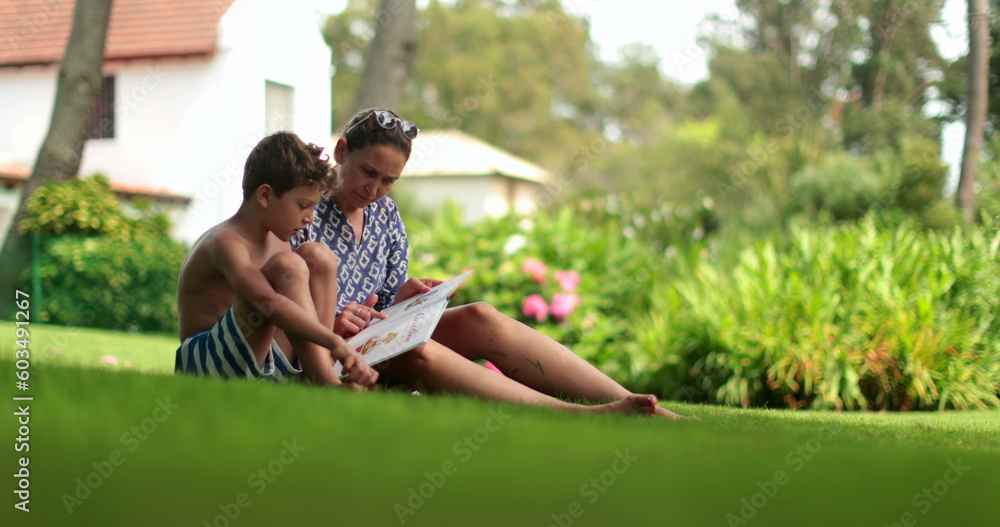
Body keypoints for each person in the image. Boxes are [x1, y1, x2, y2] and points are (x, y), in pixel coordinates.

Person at [291, 108, 688, 418]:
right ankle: (581, 415)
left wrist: (408, 297)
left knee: (481, 315)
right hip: (325, 352)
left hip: (375, 340)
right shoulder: (302, 207)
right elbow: (279, 295)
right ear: (342, 152)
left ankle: (638, 404)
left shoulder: (386, 216)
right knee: (419, 351)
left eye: (388, 180)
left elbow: (384, 303)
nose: (374, 189)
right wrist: (331, 324)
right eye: (368, 172)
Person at [175, 131, 377, 388]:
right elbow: (268, 302)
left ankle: (318, 373)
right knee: (289, 265)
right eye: (303, 205)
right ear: (266, 196)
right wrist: (334, 341)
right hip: (206, 365)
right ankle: (327, 383)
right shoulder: (225, 242)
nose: (310, 218)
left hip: (260, 357)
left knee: (319, 255)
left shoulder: (278, 240)